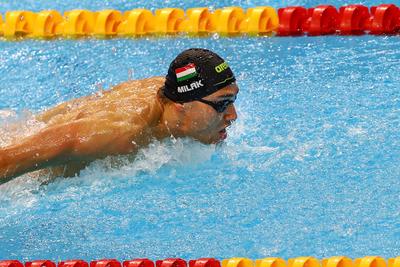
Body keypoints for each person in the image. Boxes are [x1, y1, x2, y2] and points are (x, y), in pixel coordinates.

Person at [0, 48, 239, 184]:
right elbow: (9, 159)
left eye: (233, 100)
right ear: (181, 106)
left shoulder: (169, 94)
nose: (232, 115)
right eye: (222, 104)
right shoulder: (117, 132)